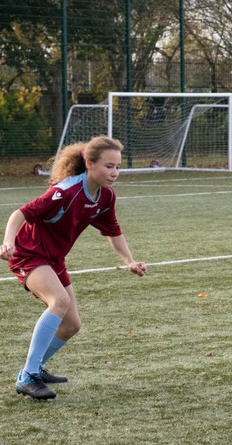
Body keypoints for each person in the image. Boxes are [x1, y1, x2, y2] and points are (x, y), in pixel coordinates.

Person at [1, 136, 147, 401]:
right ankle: (27, 377)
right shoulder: (64, 191)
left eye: (118, 167)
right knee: (59, 301)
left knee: (71, 325)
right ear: (89, 163)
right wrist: (8, 240)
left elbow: (113, 231)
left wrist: (130, 261)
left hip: (53, 259)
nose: (114, 173)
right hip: (28, 253)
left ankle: (33, 369)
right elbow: (20, 214)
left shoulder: (105, 196)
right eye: (109, 166)